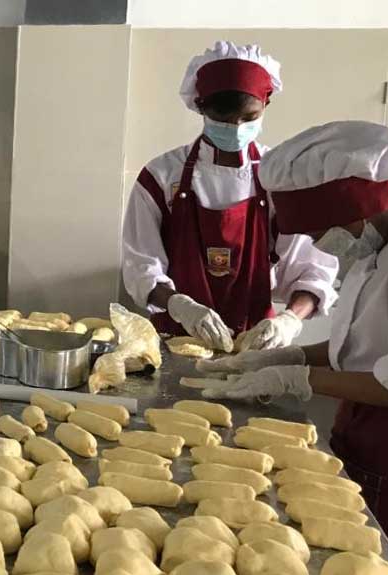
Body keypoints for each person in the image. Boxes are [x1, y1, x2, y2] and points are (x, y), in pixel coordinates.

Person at [202, 121, 388, 575]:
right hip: (363, 430)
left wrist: (298, 378)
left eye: (320, 230)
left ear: (359, 208)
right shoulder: (380, 248)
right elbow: (356, 349)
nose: (317, 243)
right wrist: (286, 353)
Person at [121, 41, 336, 352]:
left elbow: (311, 269)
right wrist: (181, 306)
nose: (235, 128)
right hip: (175, 340)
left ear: (266, 105)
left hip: (255, 341)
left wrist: (290, 319)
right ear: (201, 106)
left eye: (249, 117)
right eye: (222, 116)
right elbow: (140, 267)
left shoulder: (282, 179)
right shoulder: (160, 177)